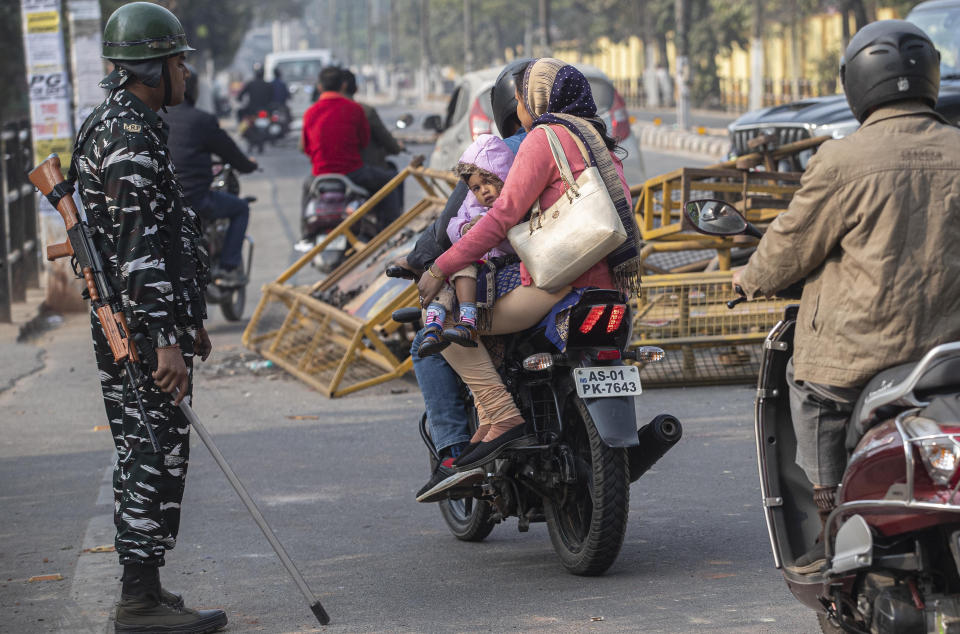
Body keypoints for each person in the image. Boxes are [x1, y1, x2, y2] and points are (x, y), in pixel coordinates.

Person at [731, 20, 960, 573]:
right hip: (951, 350)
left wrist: (748, 281)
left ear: (857, 85)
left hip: (859, 359)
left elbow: (789, 245)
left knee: (810, 393)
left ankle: (828, 514)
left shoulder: (842, 160)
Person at [72, 3, 226, 632]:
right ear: (154, 67)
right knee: (149, 454)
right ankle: (137, 602)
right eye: (179, 62)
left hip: (150, 324)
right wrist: (163, 339)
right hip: (138, 332)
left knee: (160, 452)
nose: (186, 73)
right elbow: (137, 251)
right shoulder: (128, 136)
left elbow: (162, 237)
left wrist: (188, 320)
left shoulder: (132, 123)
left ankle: (149, 590)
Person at [417, 58, 643, 474]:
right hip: (608, 284)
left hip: (555, 281)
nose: (520, 106)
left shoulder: (544, 138)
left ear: (539, 100)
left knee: (446, 321)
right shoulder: (597, 140)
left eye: (523, 97)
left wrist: (441, 267)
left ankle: (501, 414)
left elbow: (501, 217)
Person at [411, 59, 531, 504]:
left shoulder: (505, 153)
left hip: (527, 281)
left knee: (432, 336)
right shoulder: (589, 144)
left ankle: (455, 453)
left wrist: (426, 263)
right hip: (589, 279)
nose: (483, 190)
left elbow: (450, 229)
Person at [418, 134, 515, 357]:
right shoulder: (471, 205)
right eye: (476, 188)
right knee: (443, 280)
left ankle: (467, 322)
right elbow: (453, 224)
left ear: (504, 174)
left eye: (489, 181)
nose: (484, 191)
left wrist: (489, 231)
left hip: (496, 262)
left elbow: (514, 239)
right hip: (473, 260)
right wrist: (464, 229)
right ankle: (433, 329)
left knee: (459, 266)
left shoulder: (511, 204)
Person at [163, 65, 258, 287]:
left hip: (161, 203)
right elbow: (231, 152)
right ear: (192, 89)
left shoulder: (150, 119)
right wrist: (248, 166)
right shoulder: (201, 120)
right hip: (196, 199)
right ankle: (227, 268)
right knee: (241, 208)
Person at [301, 66, 401, 230]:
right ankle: (392, 230)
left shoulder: (310, 113)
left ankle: (305, 232)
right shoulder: (355, 109)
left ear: (319, 87)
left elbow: (306, 148)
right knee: (390, 180)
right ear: (343, 86)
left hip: (319, 175)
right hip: (353, 173)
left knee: (306, 190)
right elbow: (363, 141)